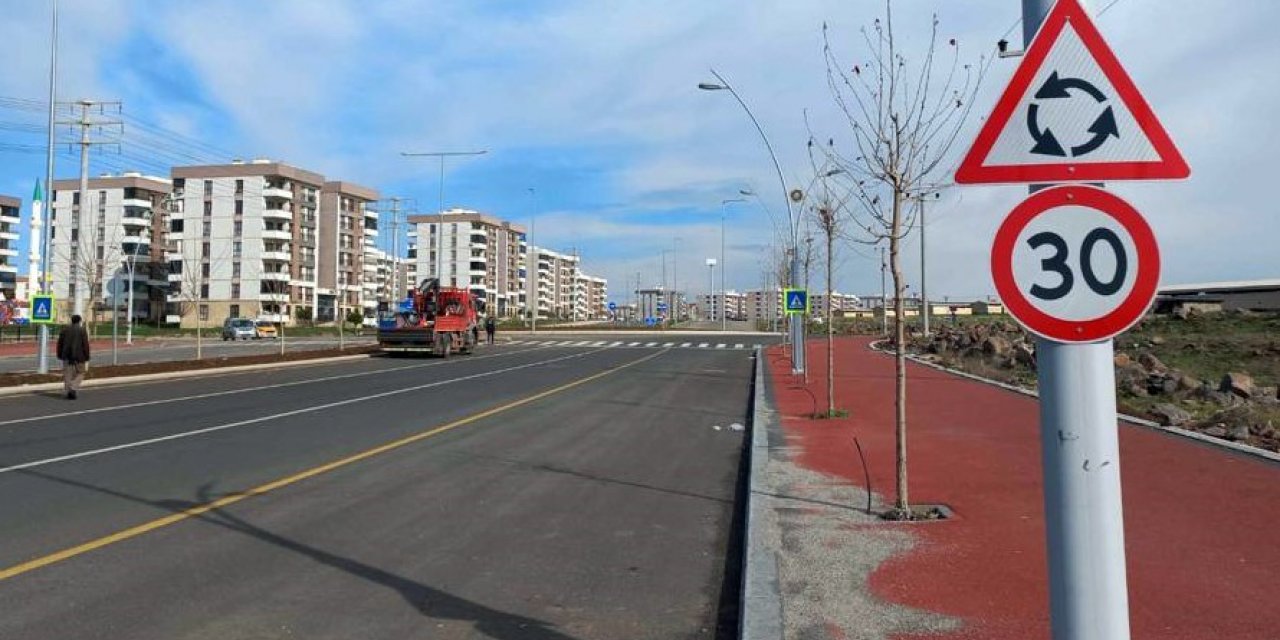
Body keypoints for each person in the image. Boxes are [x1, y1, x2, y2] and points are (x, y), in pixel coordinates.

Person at [57, 314, 91, 400]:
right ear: (79, 321)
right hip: (80, 356)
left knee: (67, 374)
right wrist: (87, 355)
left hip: (66, 356)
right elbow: (85, 344)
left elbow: (60, 343)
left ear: (71, 320)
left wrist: (60, 354)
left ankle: (69, 390)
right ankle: (73, 387)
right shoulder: (82, 330)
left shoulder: (64, 330)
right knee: (81, 372)